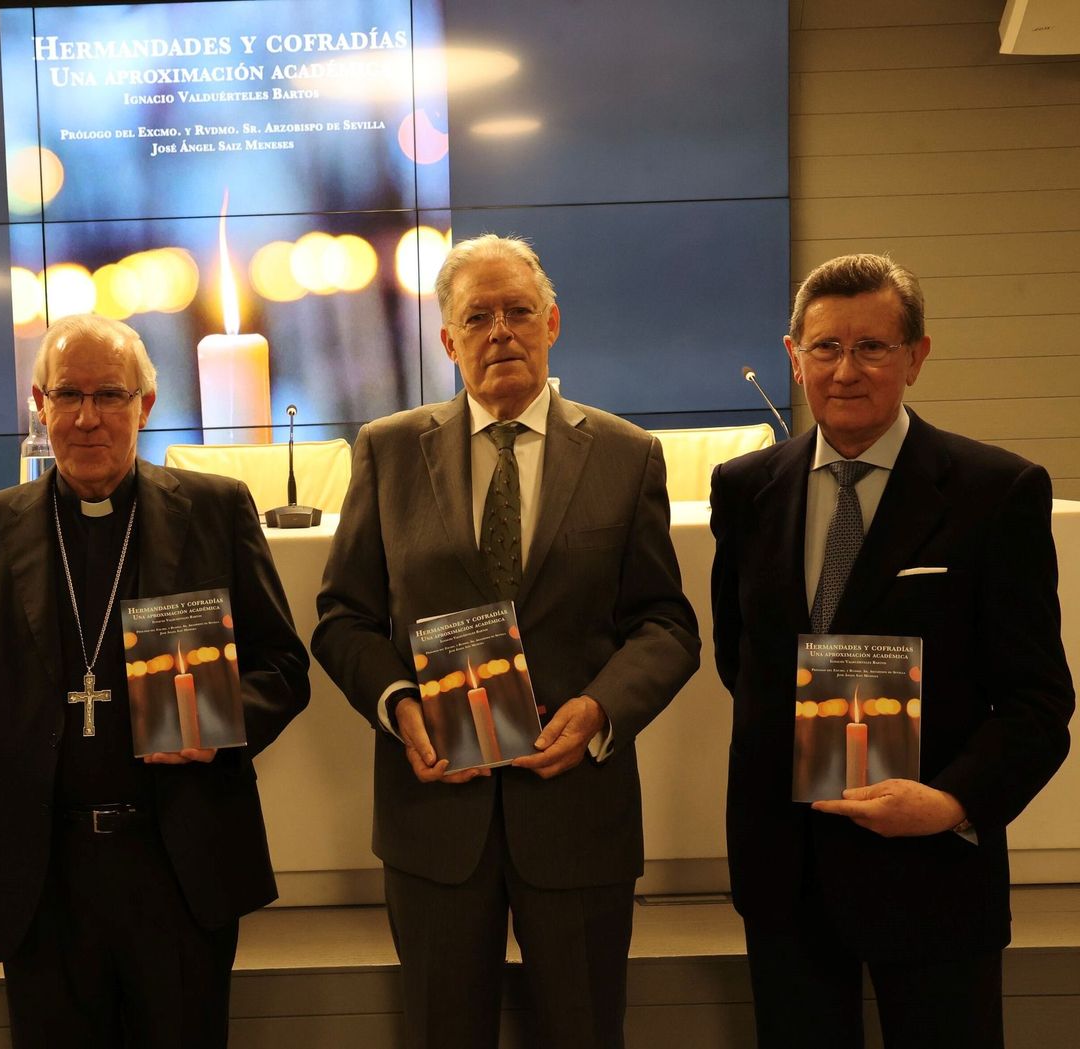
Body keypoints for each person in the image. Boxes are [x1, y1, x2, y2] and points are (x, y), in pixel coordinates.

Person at [312, 234, 700, 1049]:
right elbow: (343, 617)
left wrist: (599, 709)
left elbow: (666, 625)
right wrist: (397, 705)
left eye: (519, 311)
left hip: (577, 813)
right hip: (435, 819)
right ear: (447, 341)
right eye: (477, 317)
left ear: (552, 321)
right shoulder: (387, 450)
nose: (501, 332)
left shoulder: (627, 457)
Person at [710, 253, 1073, 1048]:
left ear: (917, 355)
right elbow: (742, 661)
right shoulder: (745, 488)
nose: (846, 370)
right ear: (792, 354)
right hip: (786, 873)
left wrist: (949, 804)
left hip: (934, 869)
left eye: (873, 347)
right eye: (826, 347)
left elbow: (1038, 703)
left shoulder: (995, 491)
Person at [0, 313, 309, 1048]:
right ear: (39, 404)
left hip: (178, 863)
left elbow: (284, 666)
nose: (88, 417)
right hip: (42, 873)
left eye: (111, 395)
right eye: (67, 395)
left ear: (147, 405)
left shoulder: (215, 510)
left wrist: (217, 724)